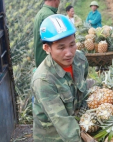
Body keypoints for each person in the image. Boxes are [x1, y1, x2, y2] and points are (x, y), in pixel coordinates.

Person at [32, 14, 89, 142]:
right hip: (53, 137)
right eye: (61, 47)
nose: (69, 53)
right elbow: (62, 123)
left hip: (75, 126)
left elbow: (83, 87)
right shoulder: (44, 80)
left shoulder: (80, 59)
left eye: (72, 44)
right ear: (47, 48)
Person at [33, 0, 60, 67]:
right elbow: (57, 42)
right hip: (48, 63)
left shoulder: (42, 13)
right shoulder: (49, 16)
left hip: (41, 61)